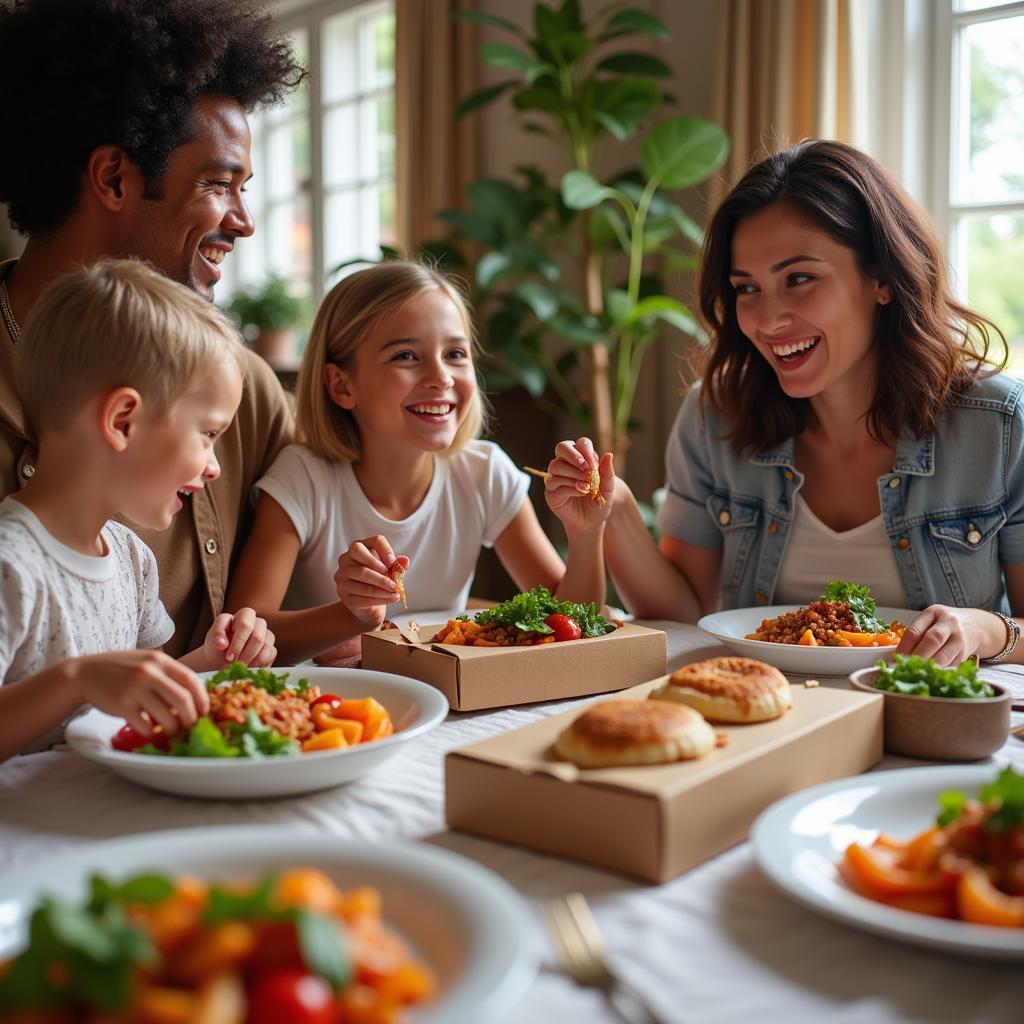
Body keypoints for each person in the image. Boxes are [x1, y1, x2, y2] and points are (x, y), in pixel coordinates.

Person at [604, 139, 1024, 667]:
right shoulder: (714, 417)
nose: (767, 319)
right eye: (747, 288)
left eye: (799, 279)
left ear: (883, 279)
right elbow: (681, 610)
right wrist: (617, 510)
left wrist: (986, 630)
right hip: (770, 713)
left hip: (927, 723)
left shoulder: (1000, 425)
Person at [0, 0, 304, 656]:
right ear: (113, 178)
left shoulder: (245, 391)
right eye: (220, 184)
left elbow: (347, 498)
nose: (244, 220)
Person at [226, 261, 614, 664]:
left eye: (455, 354)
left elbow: (569, 620)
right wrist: (350, 617)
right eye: (407, 355)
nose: (441, 376)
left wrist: (585, 535)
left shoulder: (484, 473)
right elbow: (242, 631)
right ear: (342, 385)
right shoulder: (301, 478)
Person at [0, 260, 277, 762]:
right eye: (208, 434)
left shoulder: (131, 557)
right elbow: (91, 687)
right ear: (123, 420)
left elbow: (138, 692)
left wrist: (213, 660)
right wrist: (76, 680)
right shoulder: (11, 566)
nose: (214, 467)